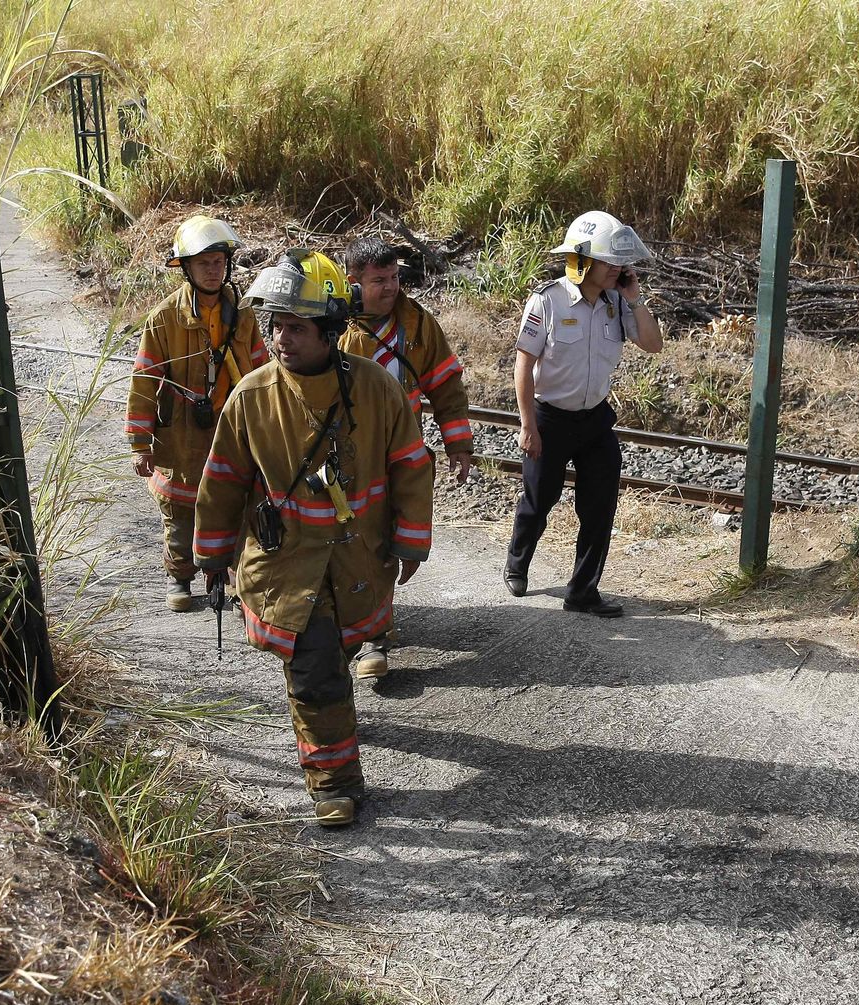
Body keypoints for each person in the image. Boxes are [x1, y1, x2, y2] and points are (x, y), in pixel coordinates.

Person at [193, 249, 434, 826]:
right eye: (274, 325)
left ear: (329, 330)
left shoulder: (377, 390)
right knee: (316, 669)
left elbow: (410, 466)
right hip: (287, 568)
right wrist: (211, 553)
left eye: (295, 327)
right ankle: (334, 781)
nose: (280, 338)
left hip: (358, 562)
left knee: (338, 657)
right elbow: (223, 480)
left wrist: (411, 538)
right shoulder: (251, 396)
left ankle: (331, 726)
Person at [503, 210, 664, 617]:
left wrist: (635, 298)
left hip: (594, 420)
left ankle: (582, 592)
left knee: (599, 505)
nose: (618, 269)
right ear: (583, 260)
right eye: (610, 262)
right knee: (539, 501)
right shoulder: (549, 300)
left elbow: (652, 344)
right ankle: (517, 562)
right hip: (549, 419)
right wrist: (527, 426)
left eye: (619, 262)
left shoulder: (616, 302)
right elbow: (523, 364)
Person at [340, 237, 474, 678]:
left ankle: (373, 637)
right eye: (379, 280)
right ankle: (355, 630)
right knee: (350, 538)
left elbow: (445, 384)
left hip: (402, 452)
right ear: (352, 283)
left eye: (395, 277)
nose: (391, 287)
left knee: (386, 536)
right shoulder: (331, 324)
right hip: (348, 457)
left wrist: (458, 443)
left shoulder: (417, 322)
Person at [125, 215, 268, 611]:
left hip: (231, 427)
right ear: (185, 268)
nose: (212, 270)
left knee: (237, 504)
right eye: (203, 262)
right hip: (182, 435)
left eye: (219, 261)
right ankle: (180, 576)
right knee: (181, 509)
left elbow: (262, 372)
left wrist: (270, 427)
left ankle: (237, 582)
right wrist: (140, 443)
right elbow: (144, 381)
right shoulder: (164, 319)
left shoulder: (243, 314)